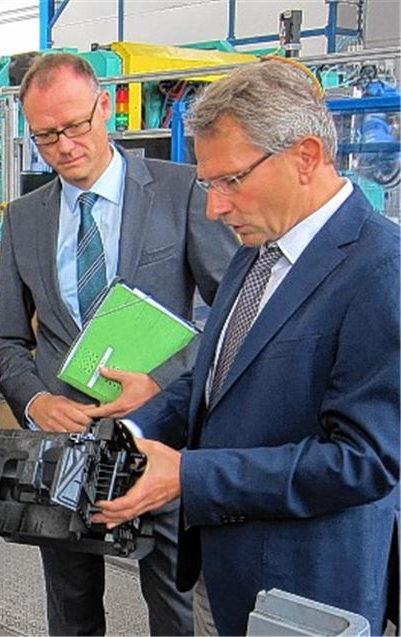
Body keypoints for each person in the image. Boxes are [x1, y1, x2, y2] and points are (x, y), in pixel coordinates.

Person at [94, 59, 399, 636]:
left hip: (304, 592)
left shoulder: (381, 269)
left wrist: (189, 475)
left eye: (231, 180)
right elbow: (221, 380)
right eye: (210, 184)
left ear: (305, 157)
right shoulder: (256, 252)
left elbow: (363, 460)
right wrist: (144, 421)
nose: (214, 207)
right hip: (220, 572)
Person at [0, 52, 239, 636]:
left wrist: (165, 384)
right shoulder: (23, 217)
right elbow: (4, 340)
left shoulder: (184, 192)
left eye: (76, 126)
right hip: (64, 450)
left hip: (159, 439)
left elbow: (234, 318)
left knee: (174, 607)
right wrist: (34, 402)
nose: (65, 146)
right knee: (71, 610)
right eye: (46, 136)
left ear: (105, 108)